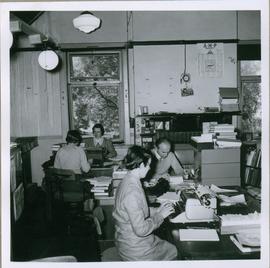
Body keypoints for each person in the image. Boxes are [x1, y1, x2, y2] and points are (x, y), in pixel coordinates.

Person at [113, 145, 178, 261]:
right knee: (174, 250)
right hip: (135, 248)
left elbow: (135, 212)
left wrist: (156, 210)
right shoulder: (132, 192)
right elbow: (141, 230)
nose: (149, 169)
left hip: (126, 239)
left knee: (167, 245)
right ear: (142, 165)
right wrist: (160, 215)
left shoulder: (128, 180)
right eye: (148, 165)